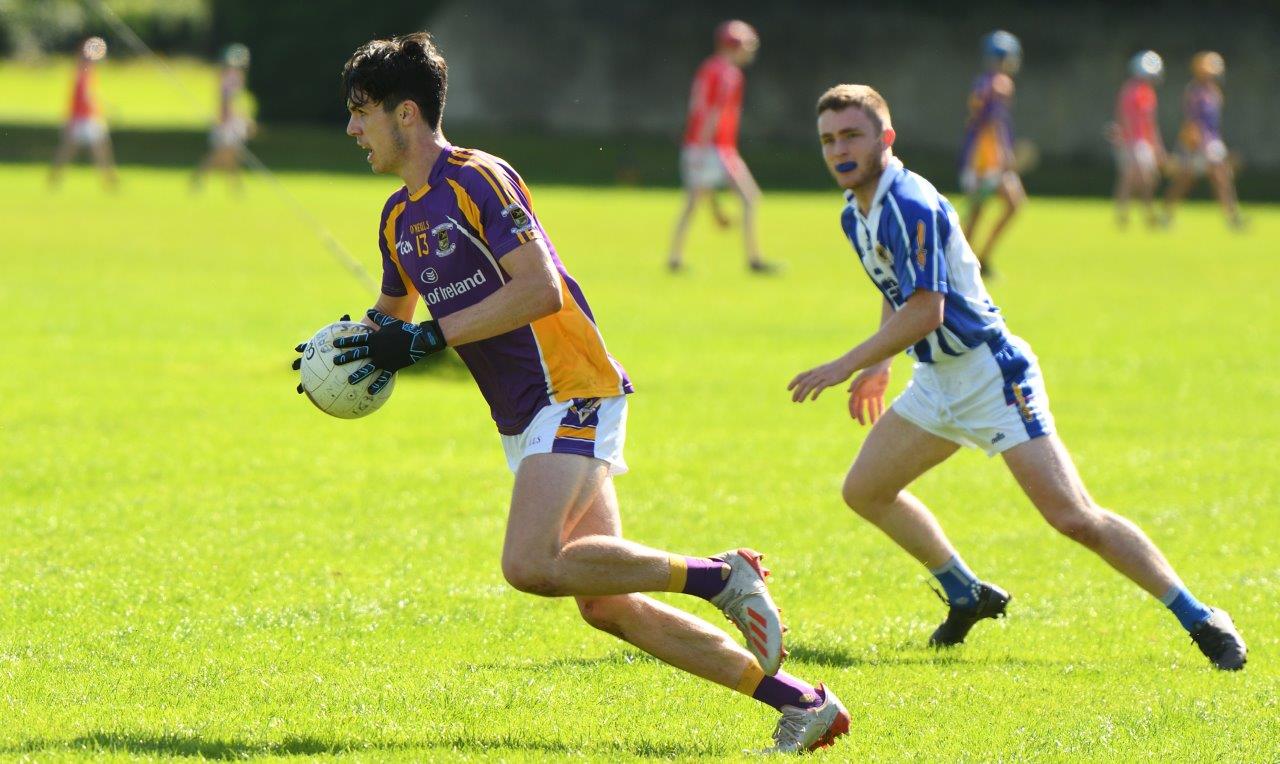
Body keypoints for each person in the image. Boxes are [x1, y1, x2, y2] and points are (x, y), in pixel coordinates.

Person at [290, 33, 848, 753]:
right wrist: (334, 360)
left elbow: (540, 288)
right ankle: (803, 703)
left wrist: (428, 340)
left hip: (571, 387)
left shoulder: (478, 179)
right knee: (607, 604)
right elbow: (389, 322)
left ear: (405, 114)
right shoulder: (398, 219)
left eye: (360, 111)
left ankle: (720, 576)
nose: (350, 128)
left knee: (528, 564)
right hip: (525, 416)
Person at [788, 83, 1246, 671]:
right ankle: (965, 593)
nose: (838, 150)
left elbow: (927, 309)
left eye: (852, 135)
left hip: (990, 375)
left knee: (1073, 517)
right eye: (828, 139)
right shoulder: (858, 212)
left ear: (886, 138)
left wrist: (843, 364)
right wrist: (878, 364)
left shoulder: (908, 202)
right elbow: (898, 293)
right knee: (866, 491)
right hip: (938, 382)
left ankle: (1202, 617)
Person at [667, 20, 776, 274]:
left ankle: (675, 258)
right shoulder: (728, 74)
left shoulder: (709, 68)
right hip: (714, 147)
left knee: (695, 202)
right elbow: (712, 114)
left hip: (705, 146)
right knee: (749, 198)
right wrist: (703, 150)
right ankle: (754, 260)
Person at [957, 31, 1023, 276]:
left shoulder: (982, 82)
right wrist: (1005, 154)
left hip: (975, 155)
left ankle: (975, 260)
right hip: (987, 157)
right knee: (993, 208)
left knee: (979, 212)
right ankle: (968, 262)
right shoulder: (1000, 84)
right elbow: (995, 123)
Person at [1163, 52, 1244, 230]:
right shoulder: (1195, 91)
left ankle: (1232, 216)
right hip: (1198, 143)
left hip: (1212, 142)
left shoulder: (1214, 92)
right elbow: (1192, 120)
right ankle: (1166, 215)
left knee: (1221, 178)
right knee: (1185, 180)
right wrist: (1195, 143)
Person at [49, 36, 118, 190]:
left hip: (84, 117)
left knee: (92, 147)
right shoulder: (83, 72)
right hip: (84, 118)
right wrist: (105, 109)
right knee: (79, 149)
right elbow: (87, 95)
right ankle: (109, 179)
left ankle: (109, 178)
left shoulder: (84, 71)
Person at [1110, 51, 1167, 229]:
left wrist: (1157, 146)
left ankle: (1133, 214)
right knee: (1133, 178)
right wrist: (1129, 143)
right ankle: (1134, 215)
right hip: (1132, 142)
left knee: (1144, 178)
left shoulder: (1148, 93)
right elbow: (1125, 118)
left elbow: (1151, 122)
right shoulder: (1130, 91)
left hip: (1144, 142)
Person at [193, 43, 255, 192]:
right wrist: (230, 119)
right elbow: (226, 100)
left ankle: (235, 185)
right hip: (227, 121)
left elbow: (232, 100)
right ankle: (199, 177)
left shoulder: (228, 75)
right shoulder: (232, 76)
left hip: (231, 120)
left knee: (234, 154)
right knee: (221, 153)